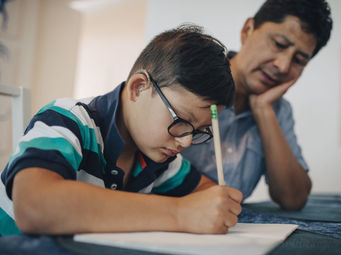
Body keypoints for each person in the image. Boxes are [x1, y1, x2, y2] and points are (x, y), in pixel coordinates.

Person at [0, 25, 242, 236]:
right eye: (181, 120)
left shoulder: (159, 158)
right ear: (138, 88)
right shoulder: (68, 120)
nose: (186, 142)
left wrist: (216, 205)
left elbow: (205, 190)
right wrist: (180, 213)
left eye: (200, 130)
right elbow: (34, 206)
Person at [182, 0, 333, 210]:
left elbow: (293, 199)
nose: (283, 66)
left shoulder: (280, 110)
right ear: (248, 30)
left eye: (299, 60)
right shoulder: (188, 80)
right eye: (279, 44)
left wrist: (263, 110)